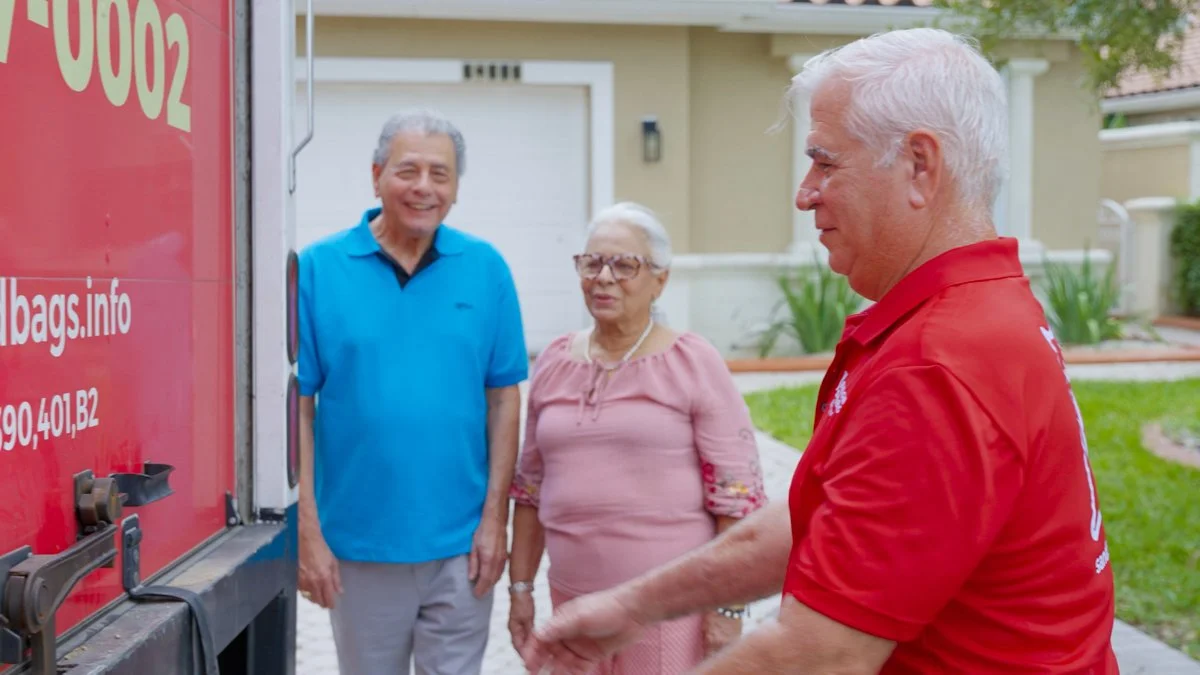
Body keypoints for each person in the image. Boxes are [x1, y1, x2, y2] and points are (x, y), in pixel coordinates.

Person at [521, 28, 1119, 675]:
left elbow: (819, 654)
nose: (805, 192)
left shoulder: (938, 362)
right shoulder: (967, 312)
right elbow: (814, 517)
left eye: (826, 162)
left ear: (921, 165)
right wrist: (636, 605)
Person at [296, 110, 528, 675]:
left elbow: (504, 398)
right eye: (408, 170)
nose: (424, 187)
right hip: (359, 547)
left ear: (455, 189)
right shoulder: (317, 269)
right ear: (376, 175)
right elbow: (297, 407)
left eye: (440, 174)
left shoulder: (486, 269)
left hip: (462, 545)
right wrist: (307, 533)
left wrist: (495, 520)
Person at [506, 202, 768, 673]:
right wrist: (520, 589)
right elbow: (528, 490)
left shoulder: (691, 361)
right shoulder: (553, 362)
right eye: (592, 262)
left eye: (625, 265)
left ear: (660, 280)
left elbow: (739, 499)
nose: (604, 277)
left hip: (667, 614)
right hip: (571, 606)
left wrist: (727, 610)